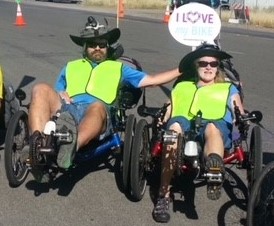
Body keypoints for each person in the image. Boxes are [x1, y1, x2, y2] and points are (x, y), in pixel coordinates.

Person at [26, 16, 180, 175]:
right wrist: (60, 92)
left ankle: (70, 148)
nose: (97, 48)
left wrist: (181, 69)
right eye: (93, 45)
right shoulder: (71, 66)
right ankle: (38, 146)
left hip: (98, 112)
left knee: (97, 106)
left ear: (108, 47)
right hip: (68, 108)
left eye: (102, 44)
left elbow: (152, 80)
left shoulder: (119, 68)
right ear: (85, 47)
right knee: (40, 88)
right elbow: (58, 88)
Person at [152, 43, 244, 223]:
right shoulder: (182, 86)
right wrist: (161, 118)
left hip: (213, 125)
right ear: (196, 65)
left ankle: (213, 167)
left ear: (218, 67)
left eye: (213, 63)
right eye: (203, 63)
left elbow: (238, 109)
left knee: (212, 128)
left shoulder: (227, 88)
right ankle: (164, 193)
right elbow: (169, 107)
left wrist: (240, 118)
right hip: (184, 125)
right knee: (173, 129)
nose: (208, 67)